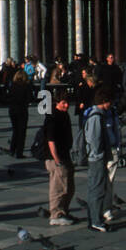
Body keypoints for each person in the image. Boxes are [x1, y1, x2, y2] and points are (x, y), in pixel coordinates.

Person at [83, 88, 115, 232]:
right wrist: (99, 154)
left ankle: (94, 218)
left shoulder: (96, 115)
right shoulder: (96, 117)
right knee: (97, 189)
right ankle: (96, 220)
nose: (111, 105)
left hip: (96, 157)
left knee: (95, 188)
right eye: (109, 102)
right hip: (96, 158)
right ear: (104, 102)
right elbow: (94, 140)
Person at [45, 88, 76, 225]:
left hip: (64, 154)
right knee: (59, 186)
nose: (66, 105)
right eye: (63, 102)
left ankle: (64, 211)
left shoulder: (64, 115)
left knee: (68, 186)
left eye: (67, 102)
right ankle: (56, 214)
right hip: (56, 157)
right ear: (57, 102)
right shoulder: (53, 117)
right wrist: (56, 159)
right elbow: (51, 140)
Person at [6, 70, 32, 158]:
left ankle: (12, 149)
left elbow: (8, 97)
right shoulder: (26, 86)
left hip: (12, 109)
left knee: (15, 130)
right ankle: (19, 152)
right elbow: (29, 98)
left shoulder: (12, 85)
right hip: (22, 109)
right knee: (22, 132)